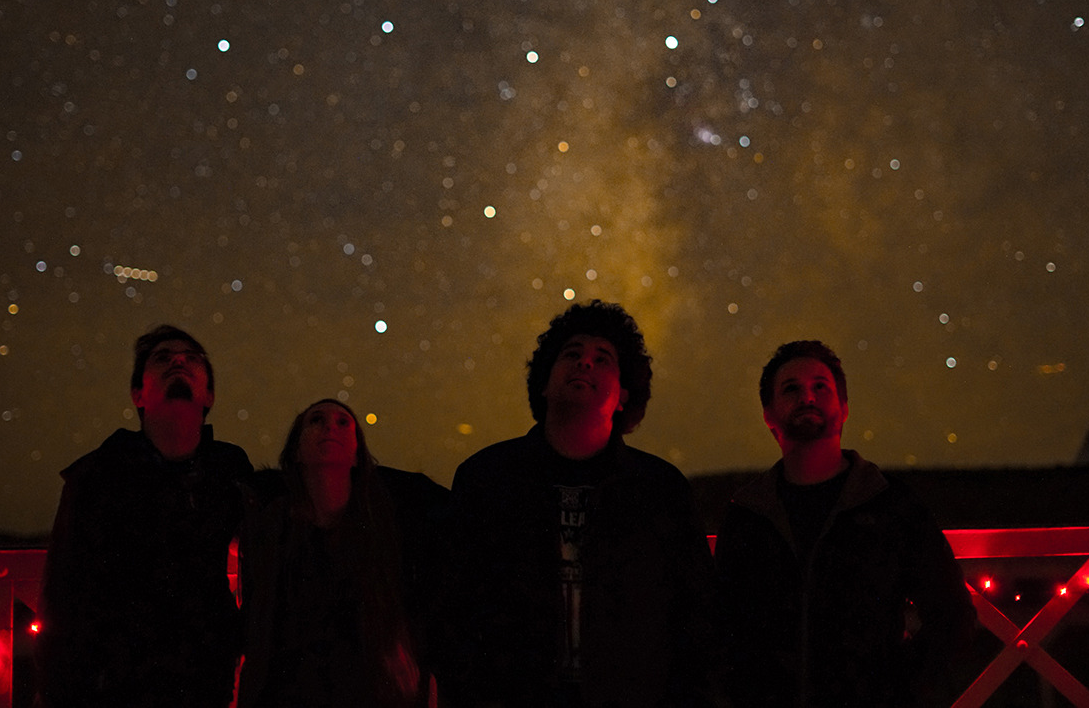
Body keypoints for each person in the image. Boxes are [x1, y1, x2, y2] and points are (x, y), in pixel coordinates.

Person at [437, 300, 720, 708]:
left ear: (623, 395)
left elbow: (695, 618)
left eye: (602, 359)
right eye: (572, 354)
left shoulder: (660, 491)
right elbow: (453, 608)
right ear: (544, 383)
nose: (585, 364)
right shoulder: (486, 480)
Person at [716, 340, 975, 708]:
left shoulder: (892, 507)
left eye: (820, 386)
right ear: (769, 414)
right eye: (792, 389)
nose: (807, 396)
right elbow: (719, 628)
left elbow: (952, 616)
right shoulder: (746, 516)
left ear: (845, 408)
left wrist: (896, 689)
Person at [36, 325, 254, 708]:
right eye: (163, 358)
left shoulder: (229, 470)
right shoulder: (98, 476)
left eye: (191, 358)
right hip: (115, 682)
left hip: (204, 677)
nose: (178, 362)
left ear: (209, 395)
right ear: (138, 394)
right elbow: (63, 589)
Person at [237, 398, 448, 708]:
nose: (329, 427)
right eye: (316, 420)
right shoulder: (269, 527)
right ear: (297, 451)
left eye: (342, 422)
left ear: (356, 455)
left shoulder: (392, 522)